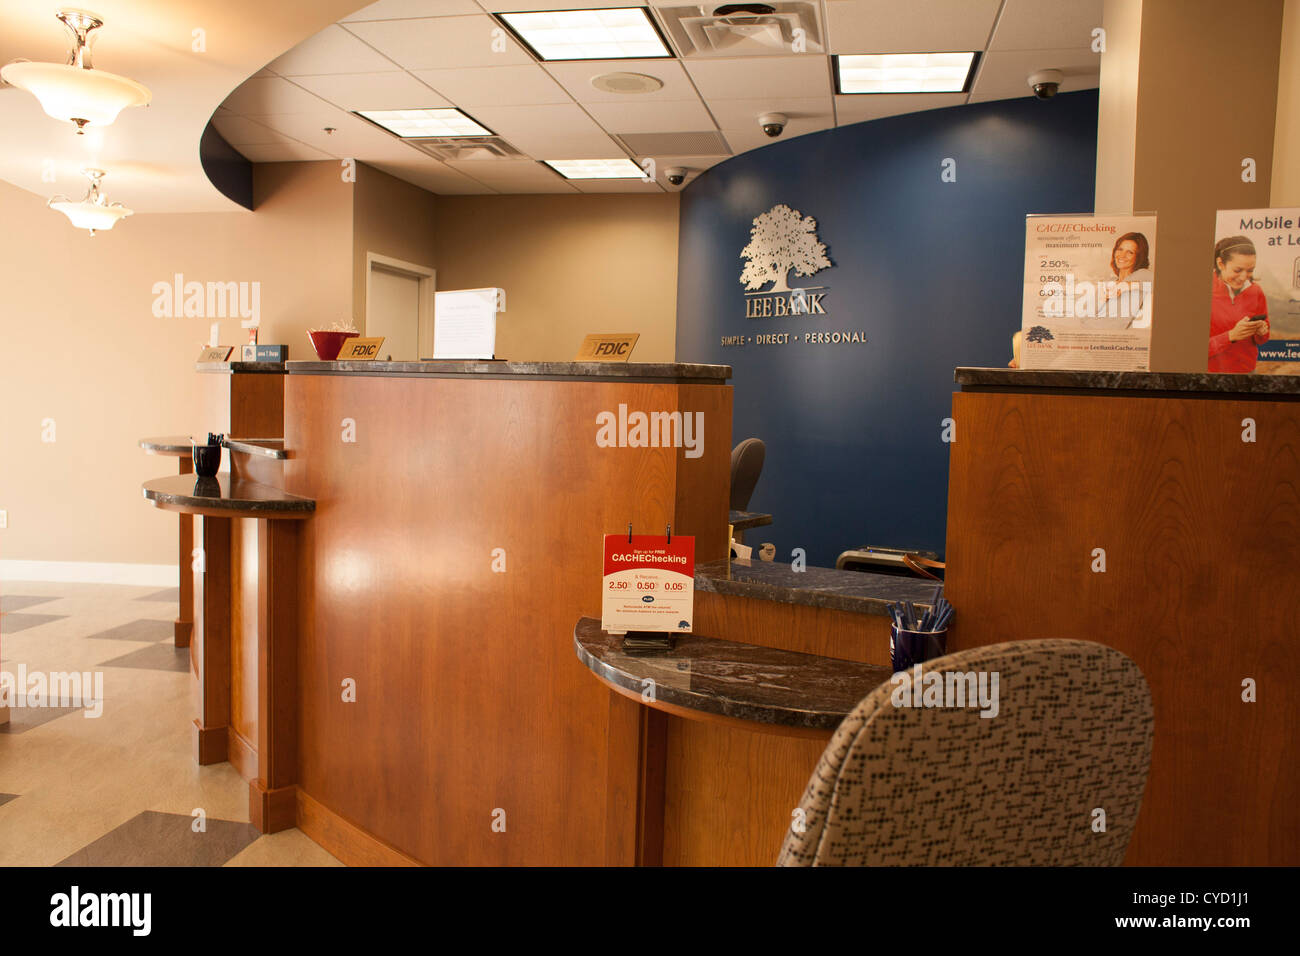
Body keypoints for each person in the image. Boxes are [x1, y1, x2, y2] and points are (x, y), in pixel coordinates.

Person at [1208, 235, 1269, 373]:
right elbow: (1191, 349)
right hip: (1211, 375)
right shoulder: (1202, 291)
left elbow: (1262, 339)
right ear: (1220, 264)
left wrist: (1261, 332)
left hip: (1247, 373)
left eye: (1250, 270)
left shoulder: (1256, 291)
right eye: (1237, 270)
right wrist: (1230, 336)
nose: (1243, 277)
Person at [1086, 232, 1153, 329]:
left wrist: (1127, 285)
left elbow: (1160, 284)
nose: (1122, 255)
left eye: (1130, 252)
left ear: (1138, 257)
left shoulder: (1142, 275)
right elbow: (1085, 316)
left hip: (1112, 336)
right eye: (1120, 249)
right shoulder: (1110, 281)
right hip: (1092, 332)